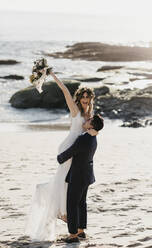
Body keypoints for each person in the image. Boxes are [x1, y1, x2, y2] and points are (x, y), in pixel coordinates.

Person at [25, 70, 96, 241]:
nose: (85, 100)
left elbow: (92, 131)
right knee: (65, 182)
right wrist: (53, 75)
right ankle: (61, 212)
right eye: (83, 97)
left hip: (80, 150)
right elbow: (65, 90)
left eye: (88, 97)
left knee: (73, 185)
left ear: (91, 98)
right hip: (69, 148)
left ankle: (74, 223)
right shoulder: (75, 110)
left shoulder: (90, 113)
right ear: (79, 98)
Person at [57, 114, 104, 243]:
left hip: (78, 175)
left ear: (92, 125)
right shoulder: (93, 138)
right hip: (87, 175)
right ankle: (80, 231)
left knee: (72, 204)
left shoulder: (84, 138)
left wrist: (59, 158)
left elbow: (72, 151)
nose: (86, 120)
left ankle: (72, 235)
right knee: (81, 203)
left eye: (89, 120)